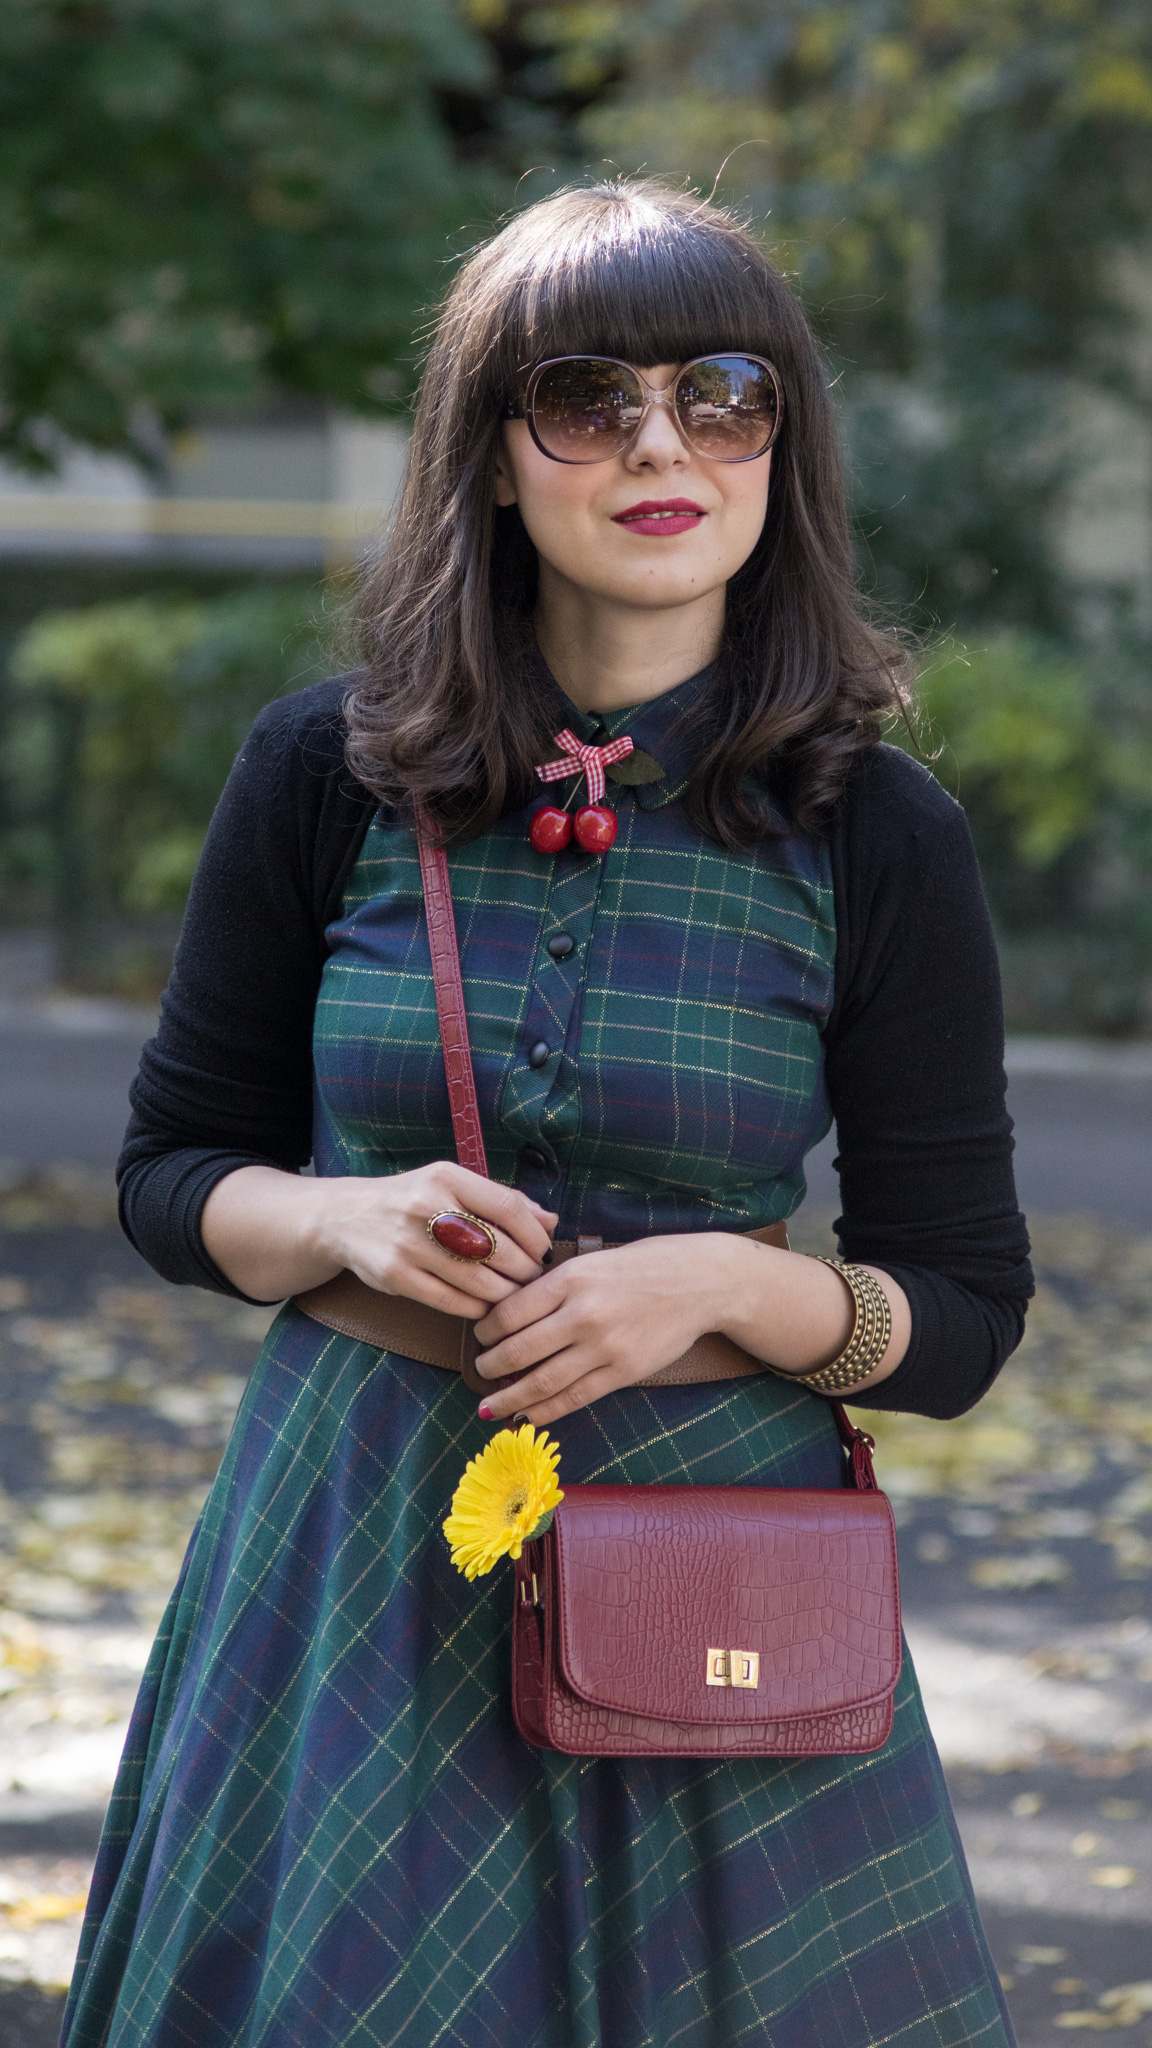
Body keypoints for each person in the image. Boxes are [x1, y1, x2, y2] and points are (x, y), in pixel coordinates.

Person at [62, 178, 1032, 2048]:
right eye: (587, 399)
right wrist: (335, 1222)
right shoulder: (326, 773)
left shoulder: (875, 831)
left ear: (780, 451)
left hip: (718, 1565)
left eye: (723, 394)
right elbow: (169, 1177)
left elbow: (961, 1316)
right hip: (356, 1545)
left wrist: (733, 1296)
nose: (661, 442)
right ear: (496, 462)